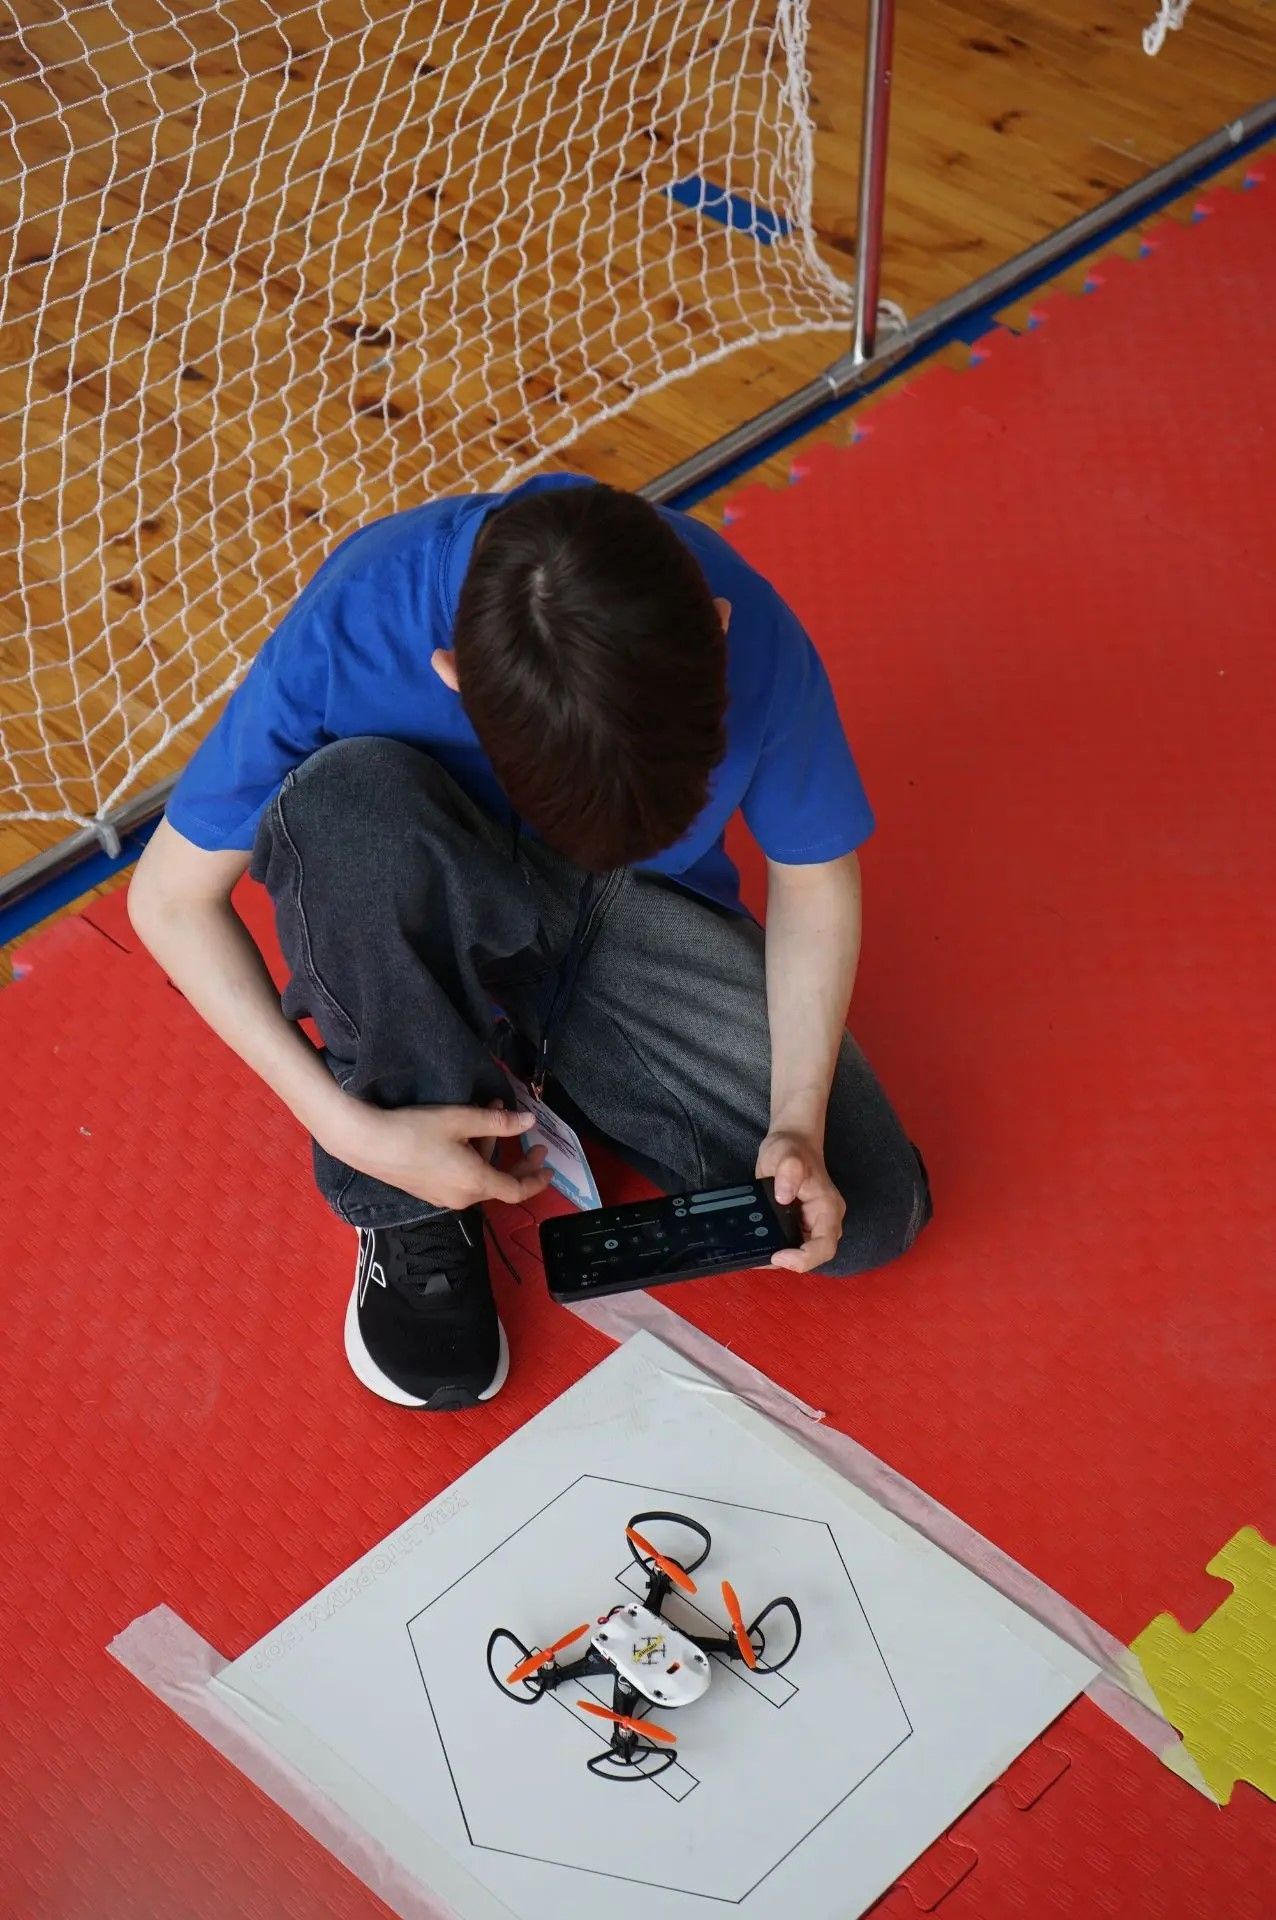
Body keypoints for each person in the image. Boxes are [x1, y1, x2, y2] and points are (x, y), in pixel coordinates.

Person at [129, 475, 931, 1411]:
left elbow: (813, 876)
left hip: (623, 916)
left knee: (857, 1210)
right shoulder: (360, 622)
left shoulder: (750, 629)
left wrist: (795, 1116)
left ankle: (533, 1065)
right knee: (346, 805)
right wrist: (350, 1129)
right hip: (422, 890)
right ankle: (411, 1196)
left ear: (717, 634)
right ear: (454, 676)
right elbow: (169, 902)